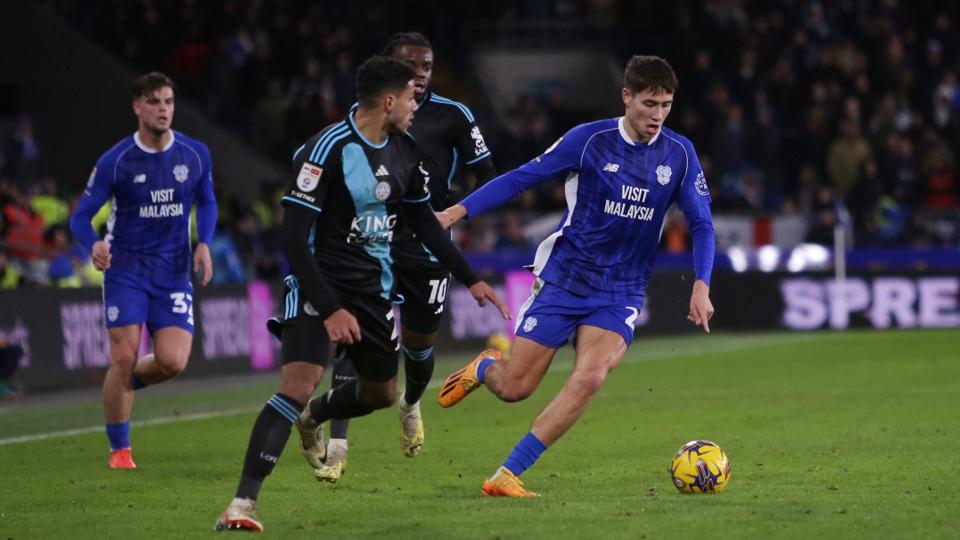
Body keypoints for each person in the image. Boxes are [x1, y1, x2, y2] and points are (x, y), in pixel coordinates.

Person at [214, 56, 508, 532]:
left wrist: (469, 277)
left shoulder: (405, 152)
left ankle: (315, 416)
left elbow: (424, 225)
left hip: (374, 293)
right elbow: (292, 238)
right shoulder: (327, 148)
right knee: (296, 384)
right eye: (412, 98)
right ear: (388, 100)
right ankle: (242, 504)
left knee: (382, 393)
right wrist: (329, 307)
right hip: (320, 286)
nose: (417, 105)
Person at [436, 55, 716, 496]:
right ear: (626, 97)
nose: (658, 115)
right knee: (514, 388)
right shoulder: (588, 141)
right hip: (565, 278)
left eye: (666, 104)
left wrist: (701, 283)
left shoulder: (679, 154)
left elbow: (701, 222)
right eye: (649, 104)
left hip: (620, 290)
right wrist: (456, 211)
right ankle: (486, 366)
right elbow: (521, 178)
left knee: (591, 376)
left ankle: (507, 474)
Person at [317, 31, 500, 482]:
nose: (420, 77)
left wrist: (454, 206)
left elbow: (490, 174)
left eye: (427, 68)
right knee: (354, 343)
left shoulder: (453, 115)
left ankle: (411, 403)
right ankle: (337, 448)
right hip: (373, 243)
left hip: (426, 245)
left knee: (419, 352)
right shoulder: (367, 118)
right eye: (411, 68)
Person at [68, 72, 217, 470]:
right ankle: (120, 450)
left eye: (168, 101)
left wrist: (203, 242)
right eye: (154, 102)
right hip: (126, 272)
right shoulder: (115, 161)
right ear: (137, 107)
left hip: (172, 273)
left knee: (172, 362)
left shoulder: (195, 153)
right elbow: (81, 218)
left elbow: (207, 201)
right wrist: (94, 243)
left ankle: (120, 385)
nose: (164, 109)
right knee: (124, 354)